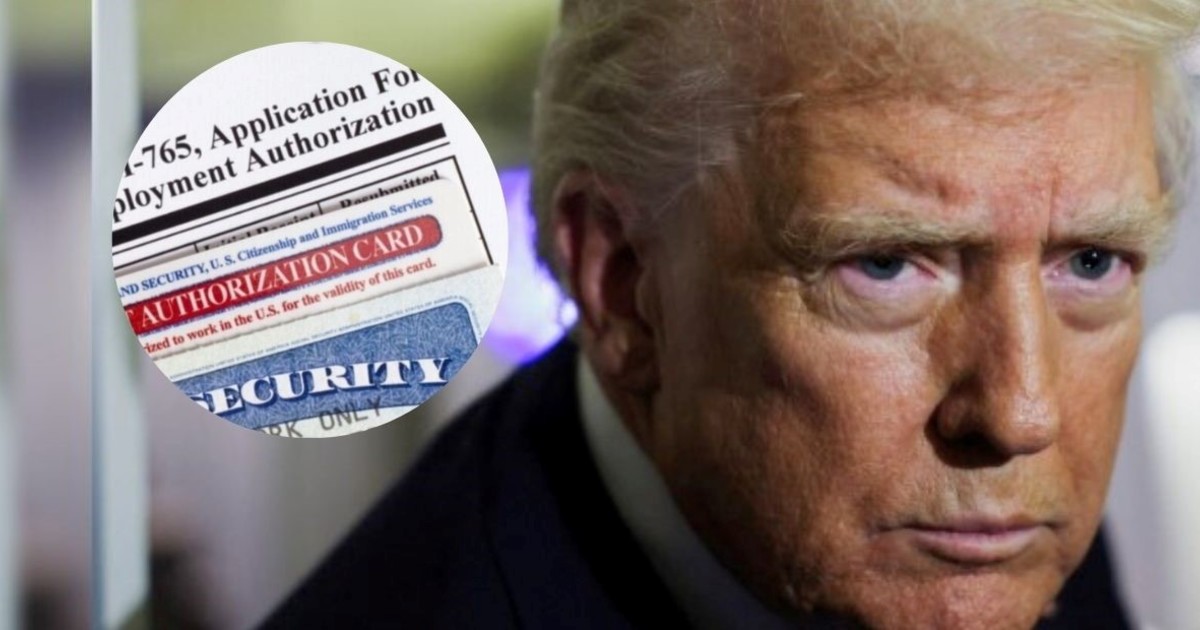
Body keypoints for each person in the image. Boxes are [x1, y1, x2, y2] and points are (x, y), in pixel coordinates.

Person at [265, 1, 1200, 628]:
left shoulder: (968, 536)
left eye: (1090, 262)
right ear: (624, 285)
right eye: (883, 266)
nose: (1022, 414)